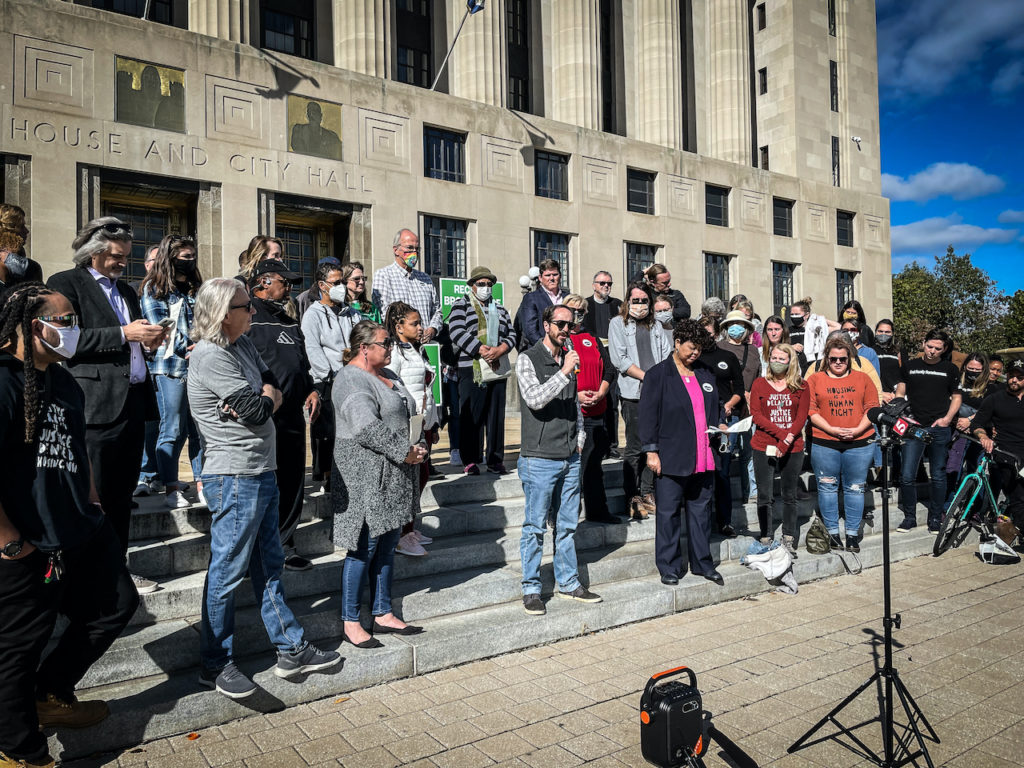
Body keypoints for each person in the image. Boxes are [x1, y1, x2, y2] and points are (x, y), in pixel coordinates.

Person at [0, 283, 138, 767]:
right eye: (63, 321)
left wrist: (94, 500)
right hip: (26, 541)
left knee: (117, 604)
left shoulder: (64, 381)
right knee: (19, 645)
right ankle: (19, 748)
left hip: (80, 526)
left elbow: (77, 449)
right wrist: (10, 543)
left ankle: (51, 693)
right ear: (30, 324)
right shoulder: (3, 380)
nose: (73, 330)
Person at [188, 278, 339, 698]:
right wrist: (266, 398)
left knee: (269, 565)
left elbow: (272, 381)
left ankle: (290, 648)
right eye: (245, 308)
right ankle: (215, 663)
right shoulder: (210, 356)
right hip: (234, 476)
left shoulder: (243, 345)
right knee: (227, 572)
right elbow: (257, 411)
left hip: (260, 471)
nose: (253, 313)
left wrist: (265, 393)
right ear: (223, 313)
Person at [47, 217, 166, 596]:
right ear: (94, 253)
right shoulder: (64, 284)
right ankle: (85, 575)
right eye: (116, 256)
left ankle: (118, 570)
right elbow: (63, 341)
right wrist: (123, 333)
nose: (123, 263)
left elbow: (130, 340)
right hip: (94, 407)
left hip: (132, 403)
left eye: (126, 257)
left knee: (120, 496)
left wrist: (147, 342)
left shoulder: (127, 292)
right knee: (90, 496)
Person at [332, 321, 426, 646]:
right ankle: (350, 620)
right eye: (385, 343)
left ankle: (383, 611)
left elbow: (408, 411)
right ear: (364, 348)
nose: (390, 348)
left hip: (394, 477)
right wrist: (405, 450)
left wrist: (418, 443)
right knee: (363, 548)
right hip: (365, 479)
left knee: (387, 547)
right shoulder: (350, 379)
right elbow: (365, 428)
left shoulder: (390, 375)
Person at [516, 304, 602, 615]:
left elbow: (575, 406)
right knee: (535, 527)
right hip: (539, 457)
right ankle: (531, 588)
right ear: (546, 324)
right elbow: (535, 400)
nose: (566, 329)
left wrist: (579, 440)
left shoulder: (568, 358)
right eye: (560, 324)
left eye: (570, 324)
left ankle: (568, 581)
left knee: (566, 525)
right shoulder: (528, 359)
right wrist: (564, 372)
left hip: (569, 456)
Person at [247, 259, 321, 572]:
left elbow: (301, 365)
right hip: (262, 418)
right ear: (263, 283)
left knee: (292, 482)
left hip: (293, 416)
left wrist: (312, 389)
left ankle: (285, 545)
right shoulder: (246, 315)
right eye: (283, 281)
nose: (289, 288)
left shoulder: (290, 321)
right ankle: (254, 552)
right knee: (263, 485)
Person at [640, 319, 726, 585]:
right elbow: (647, 416)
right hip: (672, 455)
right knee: (668, 514)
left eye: (699, 349)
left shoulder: (705, 372)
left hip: (704, 455)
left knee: (701, 513)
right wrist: (651, 452)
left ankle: (702, 563)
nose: (695, 353)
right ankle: (669, 566)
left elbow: (717, 405)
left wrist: (721, 421)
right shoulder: (658, 374)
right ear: (677, 343)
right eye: (691, 348)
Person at [138, 235, 205, 510]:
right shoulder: (154, 289)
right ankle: (170, 487)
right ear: (170, 257)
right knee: (173, 428)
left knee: (199, 430)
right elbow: (160, 330)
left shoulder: (194, 289)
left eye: (192, 257)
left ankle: (203, 484)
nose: (190, 262)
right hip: (170, 368)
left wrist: (204, 346)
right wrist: (192, 346)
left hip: (199, 367)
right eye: (185, 257)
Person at [806, 336, 879, 551]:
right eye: (833, 359)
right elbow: (811, 410)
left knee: (855, 489)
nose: (838, 362)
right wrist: (831, 429)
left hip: (860, 443)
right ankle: (833, 534)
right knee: (827, 488)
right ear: (826, 359)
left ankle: (853, 534)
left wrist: (857, 430)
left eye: (843, 359)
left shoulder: (863, 378)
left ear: (850, 359)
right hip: (824, 442)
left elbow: (873, 409)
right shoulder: (815, 379)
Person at [608, 281, 671, 519]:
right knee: (634, 445)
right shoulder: (617, 324)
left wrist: (660, 380)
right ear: (627, 302)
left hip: (657, 393)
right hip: (634, 392)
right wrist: (648, 377)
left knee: (652, 444)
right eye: (636, 300)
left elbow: (666, 354)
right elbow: (620, 359)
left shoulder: (656, 325)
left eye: (645, 300)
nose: (640, 305)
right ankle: (631, 495)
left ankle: (647, 491)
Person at [447, 266, 515, 475]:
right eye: (481, 284)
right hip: (472, 367)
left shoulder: (501, 309)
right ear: (472, 286)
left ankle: (495, 459)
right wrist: (480, 348)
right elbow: (456, 330)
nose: (486, 287)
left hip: (497, 367)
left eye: (489, 284)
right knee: (472, 415)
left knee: (496, 416)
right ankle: (471, 459)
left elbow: (511, 334)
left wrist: (501, 348)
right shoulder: (462, 305)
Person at [384, 301, 439, 556]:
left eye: (419, 323)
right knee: (409, 480)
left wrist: (434, 421)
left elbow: (426, 388)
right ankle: (401, 534)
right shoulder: (394, 352)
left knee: (421, 476)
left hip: (423, 422)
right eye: (414, 324)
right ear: (399, 326)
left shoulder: (416, 350)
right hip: (408, 424)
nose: (420, 328)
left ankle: (409, 528)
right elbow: (389, 385)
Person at [563, 294, 622, 524]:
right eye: (572, 309)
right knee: (576, 468)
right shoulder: (562, 339)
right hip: (574, 413)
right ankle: (566, 515)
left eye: (580, 311)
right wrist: (576, 396)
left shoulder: (592, 338)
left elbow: (609, 369)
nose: (576, 314)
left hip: (598, 410)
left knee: (594, 465)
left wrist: (601, 392)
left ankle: (598, 510)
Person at [895, 329, 961, 533]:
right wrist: (902, 414)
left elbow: (957, 397)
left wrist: (947, 419)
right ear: (923, 343)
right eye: (929, 346)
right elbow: (900, 392)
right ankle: (909, 517)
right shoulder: (910, 366)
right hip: (913, 427)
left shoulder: (950, 369)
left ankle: (935, 518)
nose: (932, 351)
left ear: (945, 349)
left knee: (938, 475)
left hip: (939, 428)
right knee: (907, 475)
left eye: (937, 348)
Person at [749, 343, 809, 557]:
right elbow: (756, 415)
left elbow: (801, 417)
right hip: (763, 445)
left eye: (781, 359)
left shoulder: (802, 386)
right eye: (773, 357)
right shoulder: (759, 384)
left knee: (789, 495)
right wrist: (782, 435)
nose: (776, 361)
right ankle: (765, 535)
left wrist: (787, 440)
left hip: (793, 448)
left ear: (790, 362)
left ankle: (789, 536)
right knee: (764, 495)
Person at [697, 314, 745, 537]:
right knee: (703, 470)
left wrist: (727, 406)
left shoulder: (728, 356)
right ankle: (702, 521)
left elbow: (739, 389)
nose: (707, 337)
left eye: (710, 333)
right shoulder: (693, 359)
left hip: (727, 422)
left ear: (717, 333)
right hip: (701, 422)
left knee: (723, 471)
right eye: (703, 333)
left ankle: (725, 521)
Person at [301, 260, 346, 489]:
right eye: (336, 282)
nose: (342, 286)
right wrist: (327, 375)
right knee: (327, 433)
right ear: (322, 285)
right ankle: (328, 476)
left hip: (349, 379)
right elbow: (312, 348)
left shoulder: (349, 313)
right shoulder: (313, 314)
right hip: (327, 380)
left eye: (342, 281)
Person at [973, 359, 1024, 530]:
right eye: (1011, 376)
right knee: (1019, 497)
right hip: (1007, 454)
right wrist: (984, 437)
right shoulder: (995, 399)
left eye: (1019, 377)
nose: (1014, 380)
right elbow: (977, 423)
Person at [718, 309, 761, 503]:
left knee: (748, 453)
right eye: (733, 324)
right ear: (726, 328)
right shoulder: (718, 348)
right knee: (726, 452)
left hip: (749, 410)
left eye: (741, 325)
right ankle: (723, 496)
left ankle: (750, 491)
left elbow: (758, 378)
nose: (737, 328)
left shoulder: (753, 351)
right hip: (728, 409)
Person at [371, 228, 442, 342]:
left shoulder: (425, 278)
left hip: (425, 346)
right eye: (409, 248)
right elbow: (383, 313)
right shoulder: (384, 275)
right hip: (399, 345)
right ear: (396, 250)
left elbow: (437, 310)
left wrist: (433, 328)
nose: (414, 252)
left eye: (417, 249)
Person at [133, 244, 163, 498]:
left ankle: (159, 473)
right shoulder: (135, 291)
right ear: (146, 264)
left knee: (168, 425)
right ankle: (145, 474)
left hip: (167, 365)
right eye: (156, 260)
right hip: (144, 366)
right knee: (148, 425)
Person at [583, 271, 622, 458]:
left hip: (612, 358)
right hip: (592, 358)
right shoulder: (586, 305)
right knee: (596, 400)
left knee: (612, 403)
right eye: (602, 283)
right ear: (594, 285)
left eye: (609, 283)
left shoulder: (617, 305)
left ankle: (612, 445)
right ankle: (597, 445)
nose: (606, 286)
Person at [516, 258, 568, 350]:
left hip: (566, 351)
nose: (551, 278)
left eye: (555, 275)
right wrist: (548, 348)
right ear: (540, 278)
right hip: (541, 352)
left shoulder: (568, 297)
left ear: (560, 276)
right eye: (548, 275)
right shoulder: (531, 298)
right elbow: (530, 331)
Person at [787, 298, 837, 370]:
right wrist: (791, 347)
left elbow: (837, 327)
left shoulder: (815, 329)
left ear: (806, 315)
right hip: (795, 367)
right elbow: (779, 346)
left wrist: (821, 319)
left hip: (812, 366)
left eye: (797, 314)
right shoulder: (788, 330)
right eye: (792, 314)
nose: (794, 317)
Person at [871, 319, 902, 402]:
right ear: (876, 332)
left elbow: (904, 375)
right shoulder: (870, 351)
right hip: (875, 395)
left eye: (887, 332)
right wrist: (881, 394)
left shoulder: (898, 352)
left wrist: (896, 393)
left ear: (892, 334)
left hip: (894, 397)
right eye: (880, 331)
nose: (883, 334)